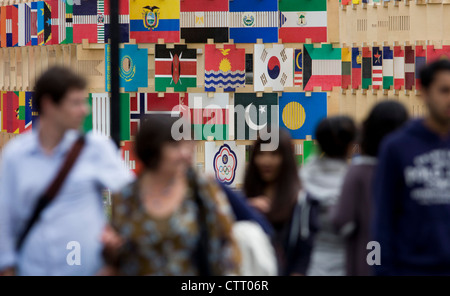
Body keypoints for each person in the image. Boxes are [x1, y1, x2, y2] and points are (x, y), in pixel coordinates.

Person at [0, 66, 135, 276]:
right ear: (48, 104)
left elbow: (133, 196)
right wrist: (6, 267)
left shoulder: (95, 148)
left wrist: (116, 247)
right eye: (76, 103)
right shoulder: (15, 156)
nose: (85, 110)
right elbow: (5, 219)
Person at [102, 115, 241, 276]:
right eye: (175, 145)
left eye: (189, 144)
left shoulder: (202, 189)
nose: (185, 153)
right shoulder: (126, 197)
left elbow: (227, 244)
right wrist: (111, 251)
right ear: (152, 147)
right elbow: (118, 254)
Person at [373, 59, 450, 275]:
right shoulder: (397, 147)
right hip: (411, 267)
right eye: (444, 91)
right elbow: (382, 220)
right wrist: (381, 269)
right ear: (424, 92)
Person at [332, 101, 409, 276]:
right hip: (405, 258)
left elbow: (342, 221)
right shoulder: (409, 168)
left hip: (367, 256)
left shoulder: (359, 171)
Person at [243, 129, 313, 276]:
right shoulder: (246, 199)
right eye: (261, 154)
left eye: (274, 154)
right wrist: (246, 208)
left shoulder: (301, 201)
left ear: (285, 158)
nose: (266, 161)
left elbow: (304, 252)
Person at [301, 116, 357, 276]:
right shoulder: (354, 181)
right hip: (344, 264)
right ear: (351, 145)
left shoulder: (302, 176)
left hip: (307, 264)